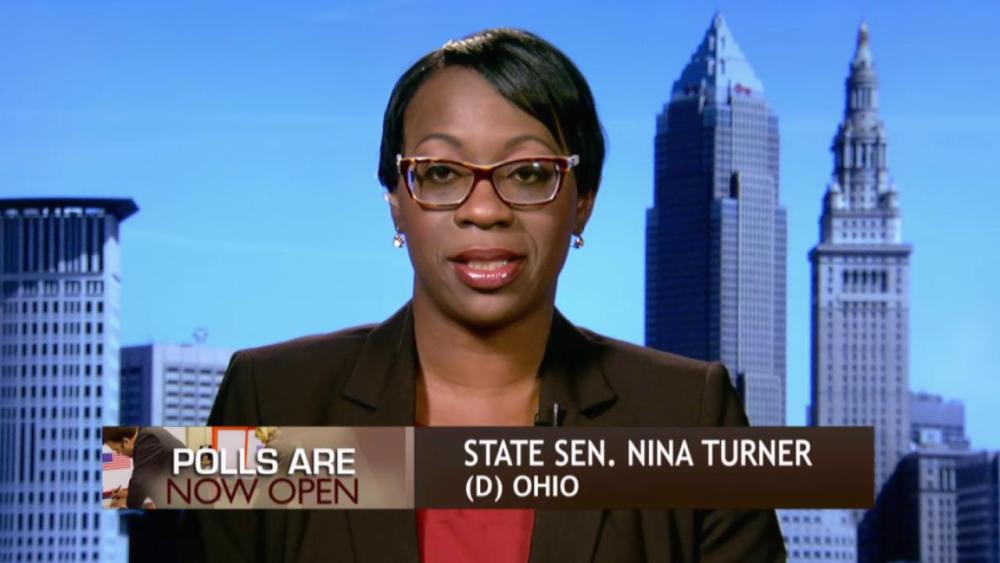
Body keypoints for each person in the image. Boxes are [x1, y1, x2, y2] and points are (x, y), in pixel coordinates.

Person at [186, 28, 785, 562]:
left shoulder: (689, 414)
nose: (483, 210)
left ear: (583, 201)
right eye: (441, 173)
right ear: (396, 201)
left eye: (528, 173)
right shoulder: (270, 398)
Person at [103, 426, 184, 509]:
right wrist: (126, 494)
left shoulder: (148, 440)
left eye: (117, 450)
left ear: (126, 441)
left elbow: (139, 482)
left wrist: (121, 506)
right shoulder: (145, 434)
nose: (118, 454)